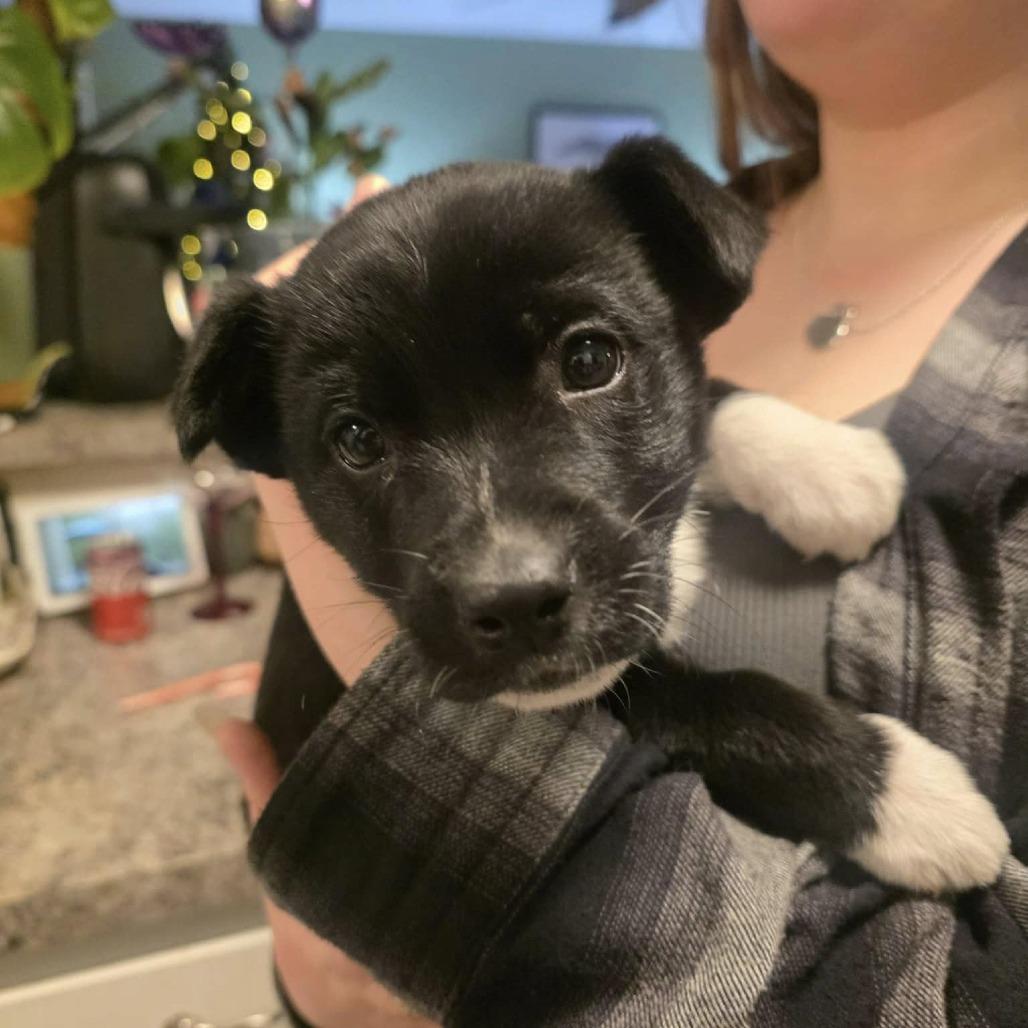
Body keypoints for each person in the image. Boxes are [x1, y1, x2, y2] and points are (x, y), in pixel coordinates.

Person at [202, 0, 1028, 1024]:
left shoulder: (630, 231)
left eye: (585, 360)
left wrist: (404, 934)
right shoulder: (625, 228)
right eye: (361, 438)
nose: (501, 562)